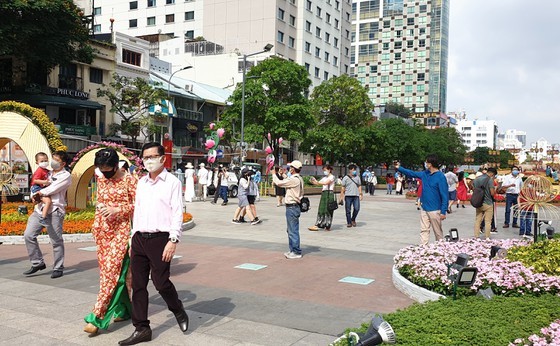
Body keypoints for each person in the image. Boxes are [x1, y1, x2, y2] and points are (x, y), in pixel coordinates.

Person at [118, 142, 188, 345]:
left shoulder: (172, 182)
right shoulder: (142, 183)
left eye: (152, 157)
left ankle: (177, 309)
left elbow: (177, 213)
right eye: (145, 157)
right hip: (139, 238)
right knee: (138, 285)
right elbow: (138, 211)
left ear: (162, 158)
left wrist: (173, 240)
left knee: (161, 282)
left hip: (160, 239)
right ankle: (142, 328)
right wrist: (133, 237)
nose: (148, 161)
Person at [84, 149, 137, 335]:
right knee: (109, 273)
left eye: (108, 170)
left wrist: (117, 210)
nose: (104, 173)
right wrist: (99, 212)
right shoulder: (101, 178)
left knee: (111, 275)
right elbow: (100, 200)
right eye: (101, 169)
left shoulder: (130, 180)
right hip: (102, 233)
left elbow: (139, 205)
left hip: (121, 234)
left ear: (116, 165)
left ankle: (97, 317)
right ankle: (124, 309)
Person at [23, 150, 71, 279]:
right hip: (40, 208)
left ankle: (58, 267)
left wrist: (39, 193)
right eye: (53, 158)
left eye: (57, 160)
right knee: (28, 235)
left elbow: (52, 189)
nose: (53, 162)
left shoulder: (65, 175)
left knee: (56, 240)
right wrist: (34, 195)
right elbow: (35, 184)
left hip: (55, 210)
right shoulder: (47, 172)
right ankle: (37, 262)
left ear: (63, 163)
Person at [395, 155, 448, 246]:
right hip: (424, 208)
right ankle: (423, 248)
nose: (425, 164)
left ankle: (440, 249)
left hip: (435, 209)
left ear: (430, 164)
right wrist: (399, 168)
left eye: (426, 162)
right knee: (424, 230)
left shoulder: (440, 177)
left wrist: (443, 211)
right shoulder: (425, 174)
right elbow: (412, 173)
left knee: (438, 232)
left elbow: (445, 195)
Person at [271, 161, 304, 259]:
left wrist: (274, 174)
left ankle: (296, 251)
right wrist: (282, 174)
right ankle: (292, 250)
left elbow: (279, 183)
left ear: (293, 169)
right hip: (294, 206)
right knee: (290, 229)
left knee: (293, 230)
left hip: (292, 207)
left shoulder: (294, 180)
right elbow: (287, 180)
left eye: (290, 167)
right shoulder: (298, 178)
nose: (289, 169)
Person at [308, 164, 336, 231]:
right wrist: (313, 181)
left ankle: (327, 225)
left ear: (329, 170)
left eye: (325, 170)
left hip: (329, 194)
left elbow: (326, 183)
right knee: (322, 209)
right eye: (323, 170)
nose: (324, 171)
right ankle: (319, 224)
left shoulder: (332, 177)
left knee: (328, 210)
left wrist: (317, 182)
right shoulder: (324, 178)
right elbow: (318, 183)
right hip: (324, 194)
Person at [473, 167, 497, 240]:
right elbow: (492, 193)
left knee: (478, 220)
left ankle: (477, 236)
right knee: (488, 221)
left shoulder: (477, 179)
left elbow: (474, 189)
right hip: (488, 202)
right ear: (492, 173)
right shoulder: (489, 180)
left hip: (479, 202)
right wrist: (495, 189)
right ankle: (487, 237)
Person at [30, 152, 53, 226]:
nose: (44, 162)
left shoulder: (46, 170)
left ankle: (42, 213)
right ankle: (43, 218)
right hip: (36, 188)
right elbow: (35, 180)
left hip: (40, 188)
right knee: (48, 201)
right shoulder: (39, 170)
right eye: (42, 161)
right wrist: (45, 182)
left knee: (45, 201)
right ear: (37, 162)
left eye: (46, 160)